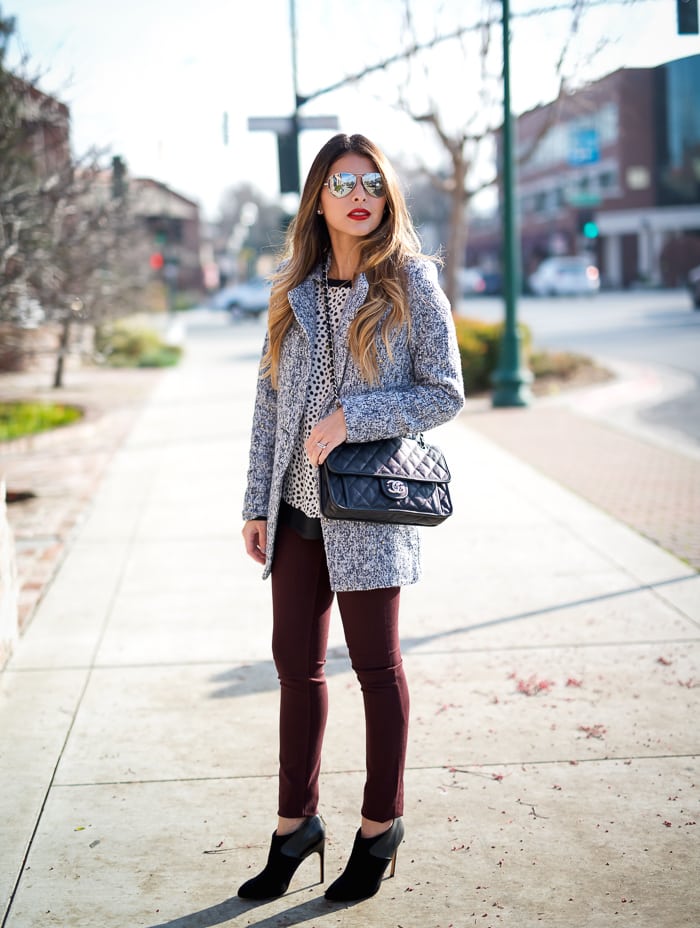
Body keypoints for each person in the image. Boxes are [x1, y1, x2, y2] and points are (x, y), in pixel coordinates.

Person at [239, 133, 464, 904]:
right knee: (295, 672)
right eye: (343, 182)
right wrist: (253, 504)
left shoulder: (411, 284)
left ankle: (379, 824)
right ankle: (293, 825)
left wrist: (357, 416)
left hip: (369, 510)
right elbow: (268, 404)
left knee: (376, 669)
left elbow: (445, 392)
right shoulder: (291, 287)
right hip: (297, 509)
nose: (359, 193)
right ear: (319, 198)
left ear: (386, 195)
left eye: (372, 181)